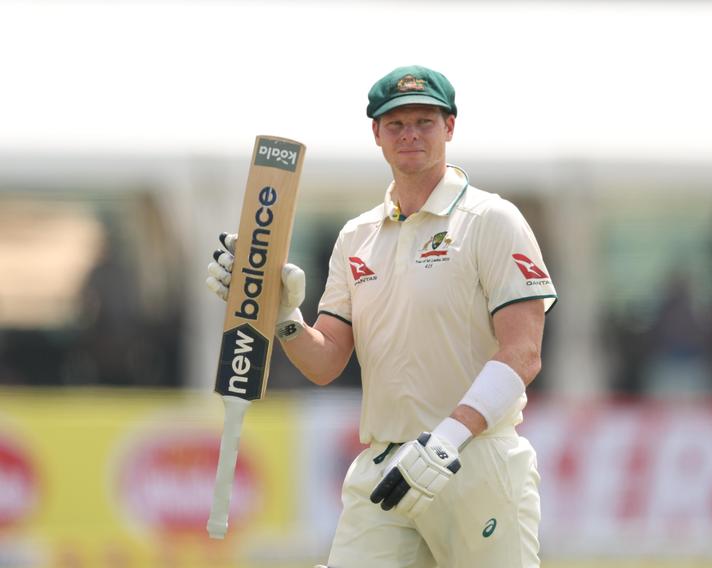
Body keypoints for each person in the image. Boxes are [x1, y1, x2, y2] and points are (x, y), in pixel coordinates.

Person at [207, 65, 557, 568]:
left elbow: (523, 351)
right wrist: (283, 315)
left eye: (425, 121)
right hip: (385, 463)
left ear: (450, 127)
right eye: (396, 124)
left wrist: (446, 441)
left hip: (474, 456)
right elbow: (325, 362)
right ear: (376, 133)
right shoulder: (357, 237)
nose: (410, 134)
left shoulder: (491, 219)